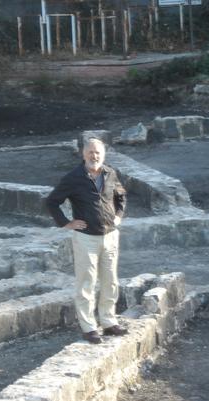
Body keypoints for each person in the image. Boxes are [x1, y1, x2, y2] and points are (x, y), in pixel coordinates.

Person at [46, 137, 128, 344]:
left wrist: (118, 216)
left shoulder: (110, 174)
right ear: (83, 154)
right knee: (86, 283)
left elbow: (121, 196)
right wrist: (66, 223)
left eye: (98, 152)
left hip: (110, 236)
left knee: (110, 281)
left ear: (103, 154)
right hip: (86, 239)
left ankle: (109, 322)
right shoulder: (74, 177)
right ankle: (89, 327)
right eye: (90, 152)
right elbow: (52, 202)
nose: (94, 156)